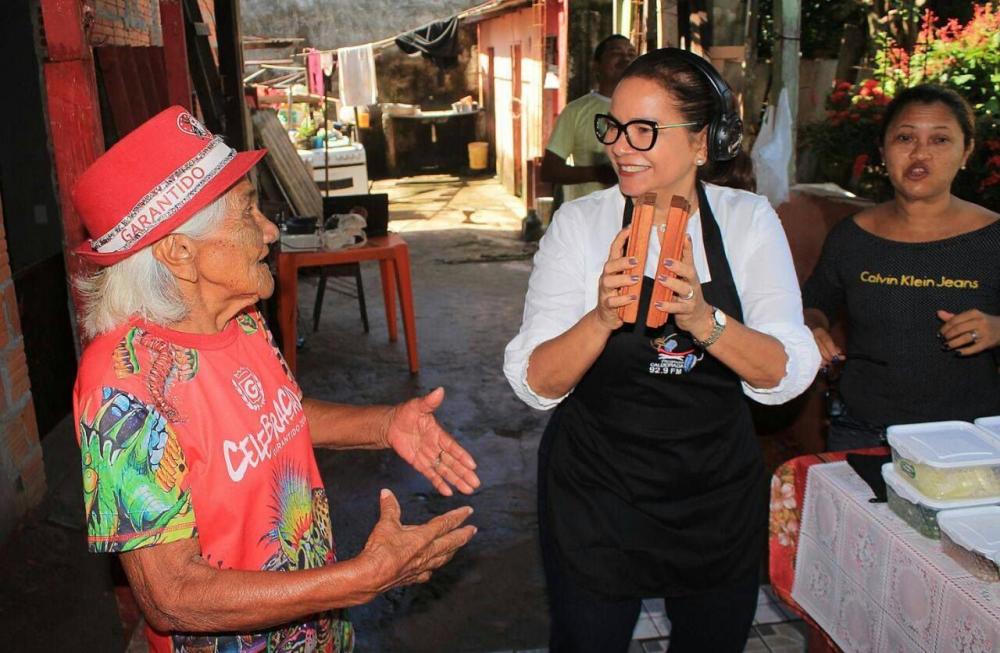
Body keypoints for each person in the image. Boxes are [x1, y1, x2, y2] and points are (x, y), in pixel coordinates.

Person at [71, 106, 480, 652]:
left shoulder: (237, 318)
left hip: (318, 632)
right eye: (246, 212)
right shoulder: (121, 388)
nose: (268, 230)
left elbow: (278, 414)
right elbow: (171, 595)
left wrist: (385, 425)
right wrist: (360, 579)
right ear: (179, 251)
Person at [504, 48, 820, 652]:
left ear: (702, 143)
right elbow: (538, 382)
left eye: (645, 130)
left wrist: (704, 320)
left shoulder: (749, 221)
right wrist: (600, 318)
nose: (621, 145)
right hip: (597, 490)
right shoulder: (582, 226)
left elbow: (784, 370)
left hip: (712, 493)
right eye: (615, 127)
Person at [803, 84, 1000, 451]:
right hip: (861, 431)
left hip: (968, 439)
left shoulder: (993, 238)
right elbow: (813, 303)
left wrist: (997, 328)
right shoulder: (852, 236)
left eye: (940, 140)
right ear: (883, 150)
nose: (920, 152)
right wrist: (813, 328)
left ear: (966, 151)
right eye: (905, 137)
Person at [540, 34, 636, 203]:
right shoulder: (575, 111)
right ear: (596, 65)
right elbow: (550, 170)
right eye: (616, 53)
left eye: (631, 54)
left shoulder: (649, 108)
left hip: (637, 216)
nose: (625, 59)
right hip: (591, 218)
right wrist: (597, 173)